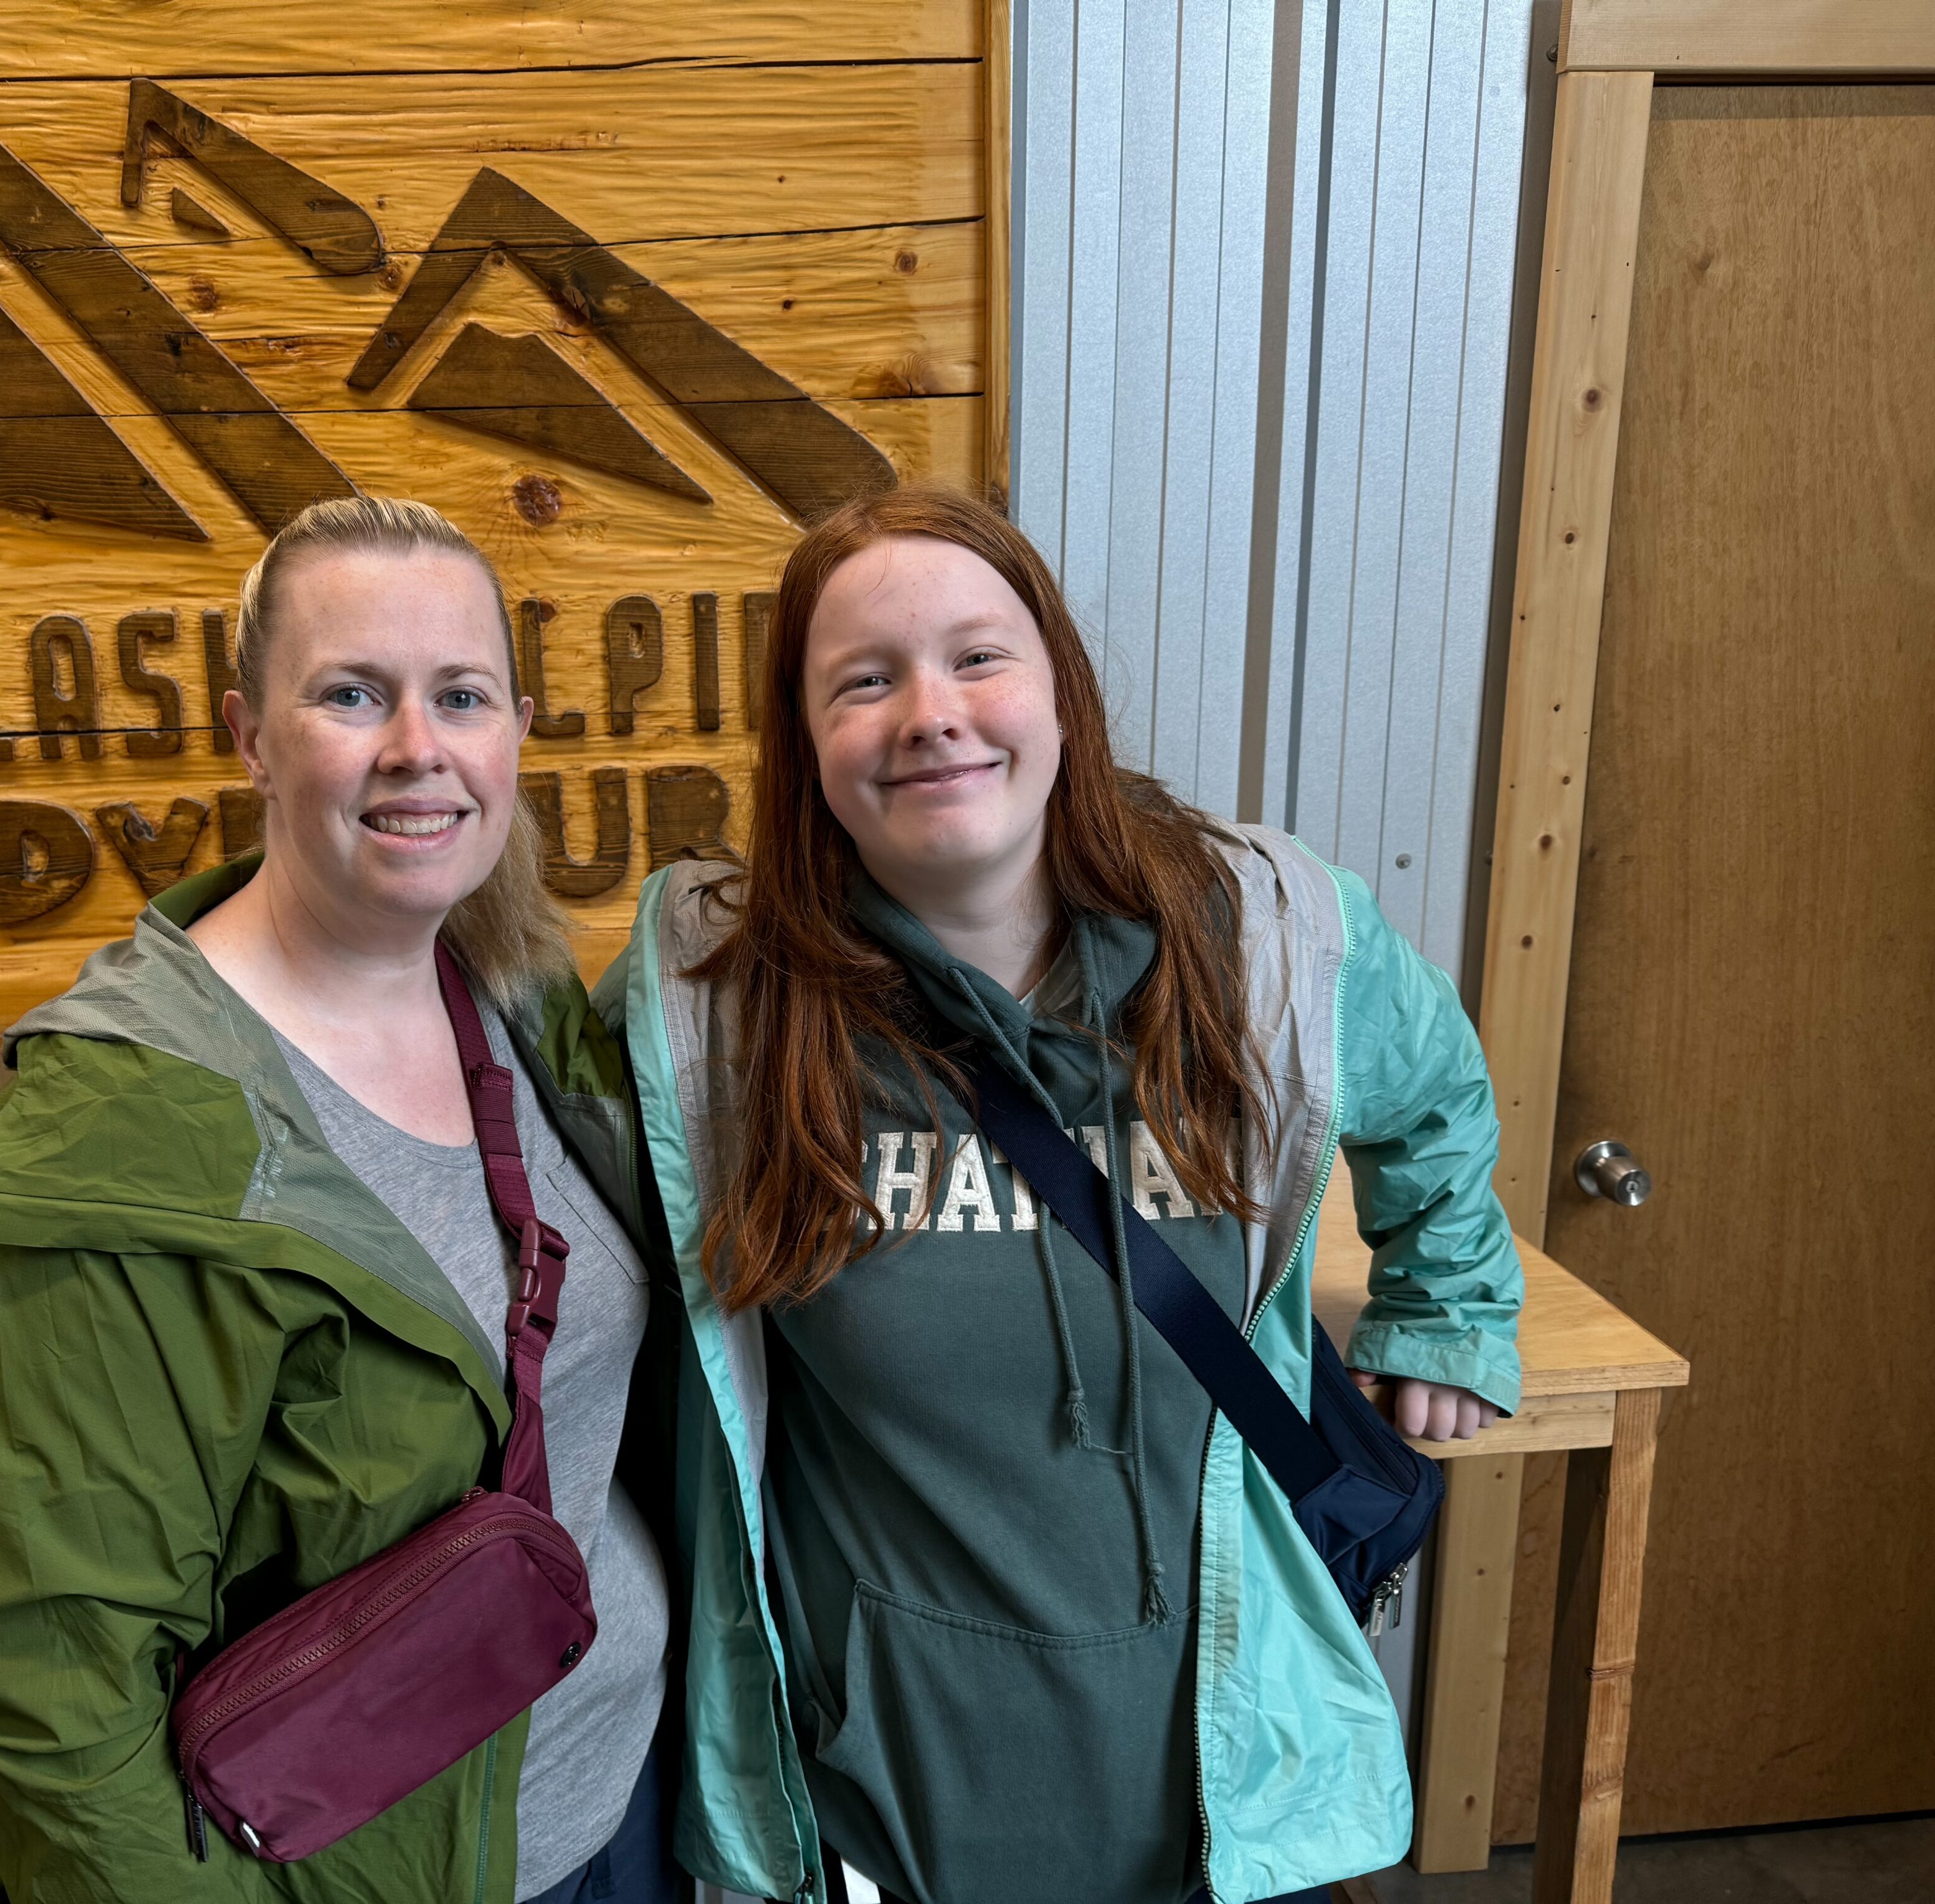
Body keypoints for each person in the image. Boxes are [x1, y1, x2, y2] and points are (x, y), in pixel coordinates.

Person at [599, 485, 1522, 1904]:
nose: (928, 711)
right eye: (863, 680)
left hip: (1218, 1772)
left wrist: (1447, 1304)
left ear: (1058, 691)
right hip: (888, 1792)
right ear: (806, 745)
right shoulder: (707, 999)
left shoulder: (1261, 933)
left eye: (976, 656)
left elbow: (1433, 1092)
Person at [0, 497, 683, 1904]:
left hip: (621, 1802)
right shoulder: (109, 1151)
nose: (417, 747)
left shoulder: (517, 1004)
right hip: (376, 1876)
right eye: (351, 694)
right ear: (250, 734)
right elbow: (51, 1720)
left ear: (516, 731)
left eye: (459, 696)